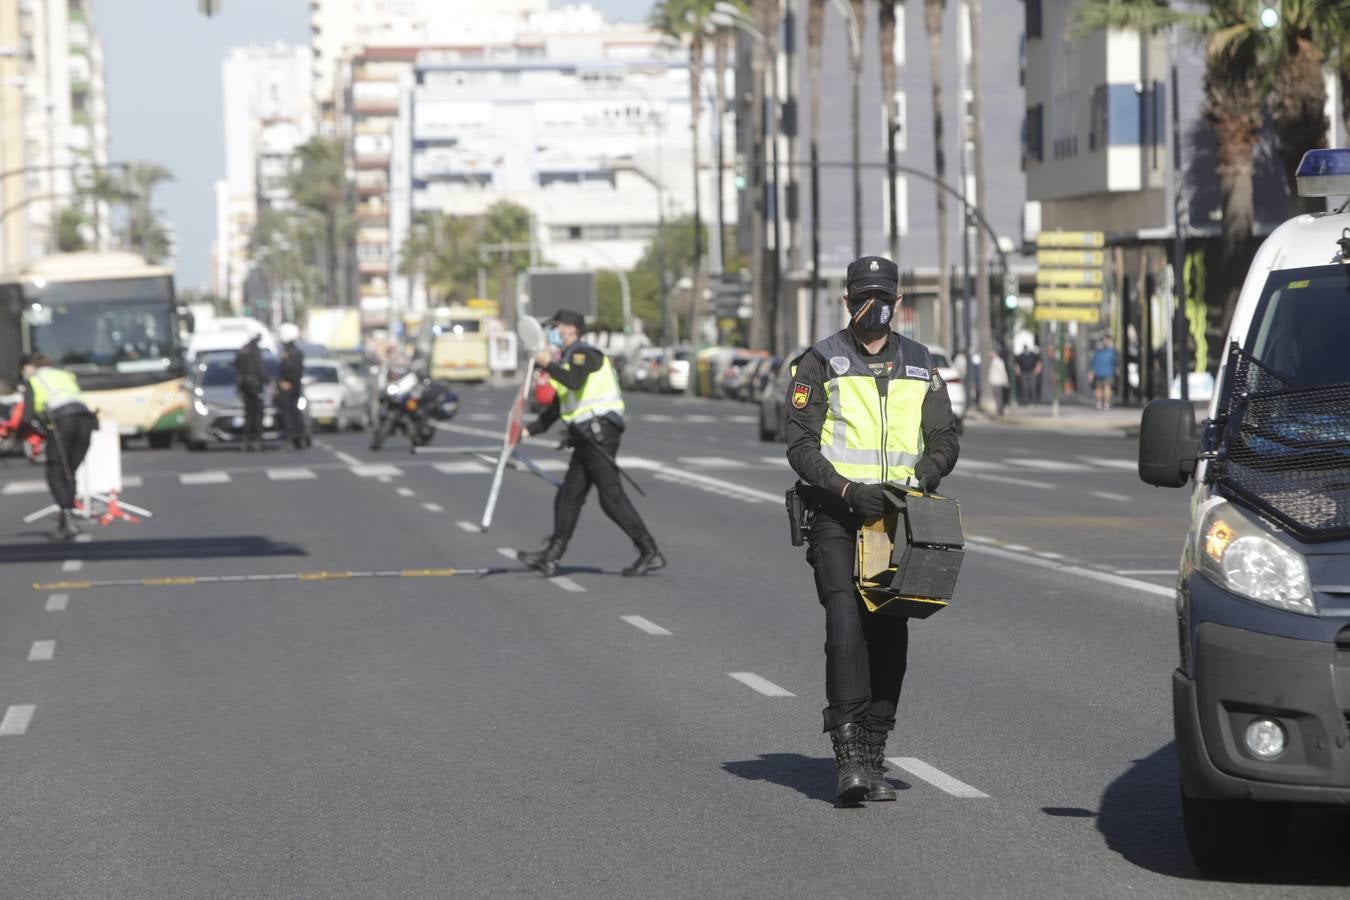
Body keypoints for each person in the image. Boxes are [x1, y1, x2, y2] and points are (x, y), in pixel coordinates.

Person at [785, 256, 960, 805]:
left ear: (897, 303)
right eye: (864, 295)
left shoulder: (920, 363)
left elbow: (945, 438)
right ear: (847, 301)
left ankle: (874, 749)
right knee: (845, 616)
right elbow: (800, 445)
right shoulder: (820, 362)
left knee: (889, 632)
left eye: (884, 296)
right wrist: (844, 490)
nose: (874, 305)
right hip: (837, 513)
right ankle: (847, 752)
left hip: (896, 517)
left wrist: (922, 476)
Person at [517, 309, 665, 578]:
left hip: (600, 434)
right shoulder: (567, 360)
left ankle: (649, 550)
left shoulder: (584, 354)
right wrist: (527, 431)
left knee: (611, 499)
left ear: (570, 329)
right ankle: (551, 556)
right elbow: (557, 408)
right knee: (568, 496)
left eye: (556, 326)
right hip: (586, 437)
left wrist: (547, 364)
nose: (553, 332)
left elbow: (573, 380)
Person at [21, 354, 98, 540]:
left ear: (30, 367)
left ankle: (67, 517)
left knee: (55, 471)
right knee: (69, 471)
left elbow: (27, 415)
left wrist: (21, 435)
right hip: (85, 421)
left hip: (63, 422)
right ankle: (67, 518)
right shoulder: (64, 375)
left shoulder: (35, 379)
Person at [275, 323, 309, 449]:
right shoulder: (290, 351)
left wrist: (287, 382)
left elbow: (292, 370)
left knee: (290, 413)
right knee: (293, 412)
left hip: (290, 388)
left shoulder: (293, 352)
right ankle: (297, 436)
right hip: (291, 386)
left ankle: (294, 436)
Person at [234, 334, 266, 451]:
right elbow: (260, 368)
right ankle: (256, 439)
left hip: (245, 386)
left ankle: (246, 439)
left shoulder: (243, 349)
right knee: (257, 414)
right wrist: (266, 380)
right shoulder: (254, 350)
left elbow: (236, 365)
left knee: (248, 414)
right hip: (255, 386)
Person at [1092, 335, 1117, 410]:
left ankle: (1099, 404)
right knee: (1107, 387)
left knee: (1099, 388)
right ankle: (1106, 404)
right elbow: (1115, 362)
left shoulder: (1098, 351)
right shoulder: (1111, 351)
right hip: (1108, 372)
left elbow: (1093, 362)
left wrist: (1093, 371)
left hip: (1099, 372)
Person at [987, 349, 1009, 416]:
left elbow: (1002, 372)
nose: (989, 355)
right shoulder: (994, 361)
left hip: (998, 382)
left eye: (990, 353)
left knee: (999, 397)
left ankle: (1000, 411)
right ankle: (999, 410)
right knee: (997, 397)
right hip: (995, 382)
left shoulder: (998, 361)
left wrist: (1005, 381)